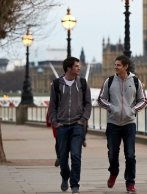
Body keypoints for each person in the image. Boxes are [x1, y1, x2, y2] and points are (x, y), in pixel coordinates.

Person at [97, 55, 147, 193]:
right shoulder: (110, 81)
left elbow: (143, 100)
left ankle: (130, 182)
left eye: (118, 65)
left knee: (130, 154)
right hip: (113, 123)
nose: (115, 67)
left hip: (129, 123)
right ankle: (114, 171)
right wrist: (112, 108)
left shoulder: (136, 81)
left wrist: (132, 111)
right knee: (113, 153)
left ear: (126, 66)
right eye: (115, 64)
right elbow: (101, 99)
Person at [48, 57, 92, 194]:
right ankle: (65, 176)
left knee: (76, 156)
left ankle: (75, 185)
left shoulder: (83, 83)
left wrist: (82, 120)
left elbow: (88, 104)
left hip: (77, 125)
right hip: (61, 126)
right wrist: (55, 122)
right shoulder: (56, 84)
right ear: (69, 68)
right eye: (76, 66)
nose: (79, 68)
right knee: (62, 157)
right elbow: (52, 106)